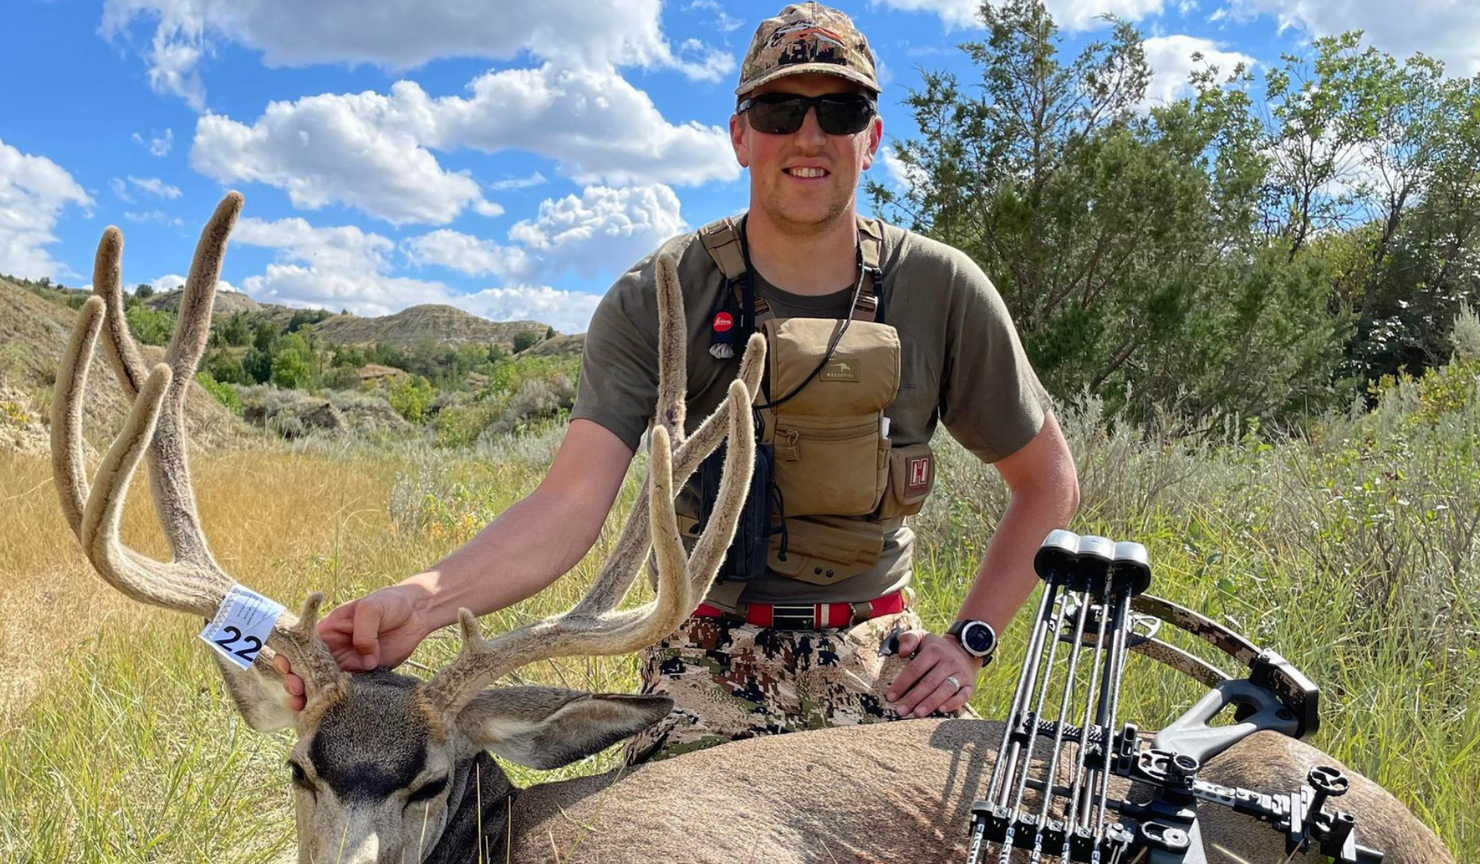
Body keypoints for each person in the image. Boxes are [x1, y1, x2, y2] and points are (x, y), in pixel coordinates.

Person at [278, 2, 1079, 761]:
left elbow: (1047, 483)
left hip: (879, 651)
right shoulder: (655, 297)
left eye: (836, 113)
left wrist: (971, 640)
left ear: (869, 138)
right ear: (740, 136)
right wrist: (413, 606)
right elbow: (566, 506)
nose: (809, 135)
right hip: (706, 651)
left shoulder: (941, 288)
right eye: (779, 113)